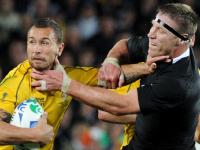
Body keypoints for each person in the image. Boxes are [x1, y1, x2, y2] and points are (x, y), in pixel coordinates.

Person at [31, 3, 200, 150]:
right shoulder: (161, 46)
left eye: (160, 30)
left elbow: (119, 106)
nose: (151, 34)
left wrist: (66, 83)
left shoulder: (179, 83)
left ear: (182, 40)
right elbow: (125, 45)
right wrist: (111, 60)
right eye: (153, 25)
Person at [0, 18, 160, 150]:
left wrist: (148, 67)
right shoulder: (16, 81)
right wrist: (35, 135)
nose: (36, 50)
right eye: (32, 42)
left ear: (60, 48)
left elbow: (108, 76)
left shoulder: (68, 76)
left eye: (44, 43)